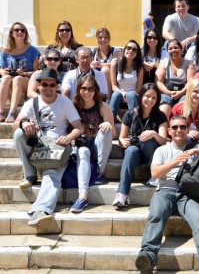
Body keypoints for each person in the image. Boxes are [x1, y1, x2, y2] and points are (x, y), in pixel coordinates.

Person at [135, 115, 199, 274]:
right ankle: (147, 256)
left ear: (188, 129)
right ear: (169, 131)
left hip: (189, 193)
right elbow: (155, 173)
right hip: (165, 191)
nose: (178, 130)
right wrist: (175, 161)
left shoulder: (196, 147)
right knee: (156, 215)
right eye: (174, 127)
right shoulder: (162, 150)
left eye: (182, 127)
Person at [12, 68, 83, 227]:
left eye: (52, 85)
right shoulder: (32, 103)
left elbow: (79, 127)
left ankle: (41, 211)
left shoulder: (65, 102)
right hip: (38, 145)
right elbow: (15, 125)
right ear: (39, 86)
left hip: (57, 147)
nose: (48, 88)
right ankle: (30, 174)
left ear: (57, 86)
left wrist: (68, 137)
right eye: (45, 84)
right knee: (18, 134)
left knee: (52, 175)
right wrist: (24, 123)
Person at [112, 83, 168, 207]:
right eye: (147, 96)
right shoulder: (130, 113)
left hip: (151, 153)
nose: (150, 100)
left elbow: (163, 141)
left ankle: (155, 175)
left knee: (147, 138)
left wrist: (153, 133)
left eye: (154, 98)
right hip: (135, 152)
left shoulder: (160, 116)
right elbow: (121, 137)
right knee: (131, 150)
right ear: (141, 96)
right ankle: (121, 194)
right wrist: (122, 141)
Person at [70, 75, 115, 213]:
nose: (87, 92)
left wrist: (107, 125)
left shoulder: (103, 107)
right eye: (83, 88)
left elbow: (112, 135)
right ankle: (83, 197)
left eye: (90, 89)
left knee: (105, 129)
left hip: (97, 146)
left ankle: (99, 172)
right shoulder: (74, 106)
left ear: (95, 91)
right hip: (81, 146)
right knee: (83, 151)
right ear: (79, 89)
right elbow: (69, 129)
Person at [0, 22, 40, 123]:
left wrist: (24, 73)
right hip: (9, 81)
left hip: (26, 81)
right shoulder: (5, 51)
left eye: (22, 30)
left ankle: (11, 113)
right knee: (5, 78)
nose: (20, 32)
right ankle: (0, 112)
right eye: (17, 30)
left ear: (25, 33)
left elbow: (37, 72)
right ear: (11, 34)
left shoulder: (32, 50)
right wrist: (3, 72)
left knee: (17, 79)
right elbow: (0, 69)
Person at [156, 39, 195, 118]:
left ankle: (182, 127)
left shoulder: (189, 63)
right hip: (167, 93)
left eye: (176, 47)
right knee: (165, 105)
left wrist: (180, 93)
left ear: (181, 49)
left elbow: (191, 81)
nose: (173, 50)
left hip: (183, 94)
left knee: (183, 106)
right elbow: (159, 82)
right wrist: (169, 92)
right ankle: (163, 126)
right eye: (170, 49)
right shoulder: (164, 63)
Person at [171, 78, 199, 143]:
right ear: (189, 91)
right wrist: (186, 134)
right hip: (182, 144)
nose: (198, 95)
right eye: (195, 91)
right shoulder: (177, 109)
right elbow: (171, 131)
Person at [109, 40, 144, 120]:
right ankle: (110, 124)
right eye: (129, 48)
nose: (131, 51)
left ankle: (134, 125)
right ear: (124, 50)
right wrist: (123, 94)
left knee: (130, 95)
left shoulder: (139, 67)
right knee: (115, 94)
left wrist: (128, 94)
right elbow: (113, 86)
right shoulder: (116, 64)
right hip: (119, 95)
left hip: (133, 97)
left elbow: (139, 88)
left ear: (137, 53)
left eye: (134, 49)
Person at [90, 28, 121, 102]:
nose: (103, 40)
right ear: (96, 39)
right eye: (100, 37)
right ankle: (93, 94)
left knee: (105, 70)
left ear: (109, 38)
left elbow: (114, 63)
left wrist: (100, 64)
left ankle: (108, 98)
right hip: (97, 79)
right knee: (92, 67)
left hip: (111, 78)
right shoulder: (93, 51)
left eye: (105, 37)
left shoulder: (115, 51)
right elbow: (89, 64)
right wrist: (93, 64)